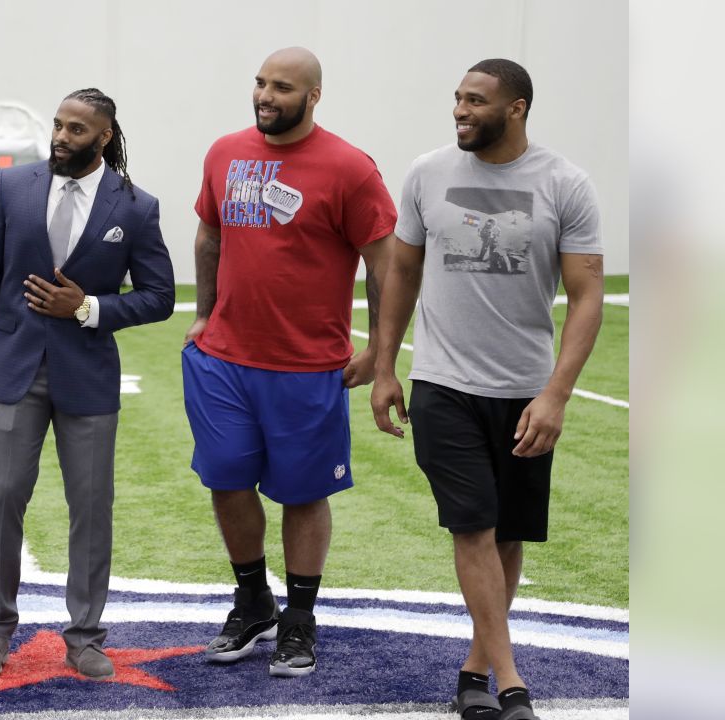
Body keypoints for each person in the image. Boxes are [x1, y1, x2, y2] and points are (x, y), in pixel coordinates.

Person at [370, 59, 604, 720]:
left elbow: (588, 298)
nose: (460, 110)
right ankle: (510, 682)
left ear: (517, 109)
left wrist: (556, 395)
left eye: (476, 101)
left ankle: (473, 669)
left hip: (526, 390)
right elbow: (402, 273)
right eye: (457, 99)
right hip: (444, 383)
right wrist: (387, 366)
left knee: (508, 535)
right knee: (472, 522)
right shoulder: (427, 172)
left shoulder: (566, 184)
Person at [0, 88, 174, 680]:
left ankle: (86, 636)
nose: (61, 138)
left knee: (91, 508)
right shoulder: (14, 186)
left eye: (77, 130)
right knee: (3, 497)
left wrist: (90, 307)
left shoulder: (136, 206)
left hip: (88, 376)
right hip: (14, 370)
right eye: (58, 125)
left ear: (104, 137)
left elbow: (160, 297)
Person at [183, 47, 397, 678]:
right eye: (259, 83)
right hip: (222, 359)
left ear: (313, 95)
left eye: (281, 86)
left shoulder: (350, 168)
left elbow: (384, 264)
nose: (265, 96)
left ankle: (300, 618)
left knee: (303, 494)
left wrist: (380, 351)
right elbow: (208, 233)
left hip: (307, 366)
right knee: (226, 480)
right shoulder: (224, 152)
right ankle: (253, 601)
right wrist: (203, 313)